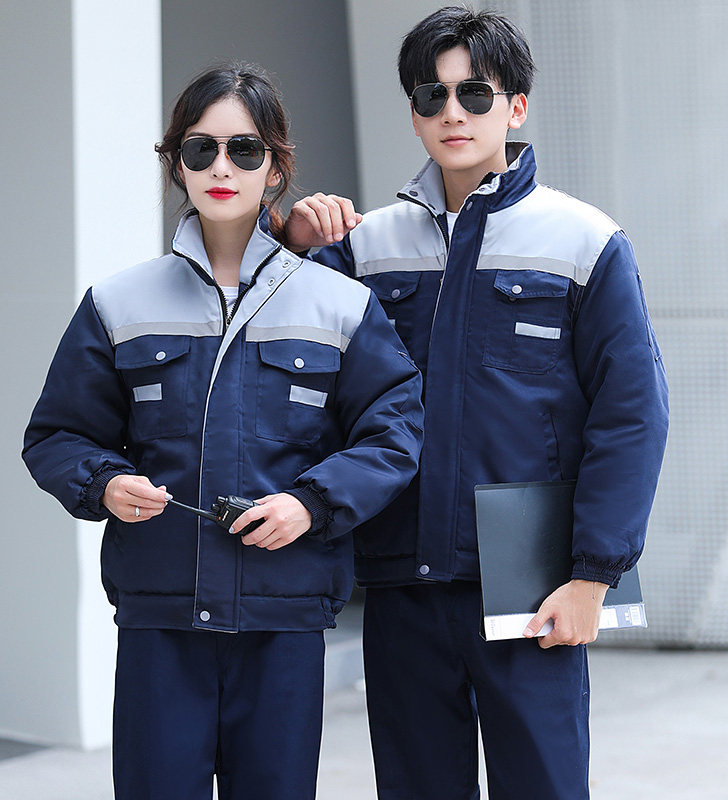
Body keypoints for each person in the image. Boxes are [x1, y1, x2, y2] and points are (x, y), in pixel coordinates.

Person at [284, 7, 669, 799]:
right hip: (403, 574)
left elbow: (632, 414)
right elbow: (287, 368)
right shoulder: (364, 245)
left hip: (531, 582)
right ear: (414, 113)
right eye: (432, 96)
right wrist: (292, 245)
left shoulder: (584, 240)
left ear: (516, 107)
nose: (452, 112)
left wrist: (593, 577)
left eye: (475, 93)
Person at [22, 62, 423, 800]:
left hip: (284, 618)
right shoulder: (118, 303)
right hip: (160, 620)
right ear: (178, 162)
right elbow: (57, 435)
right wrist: (104, 483)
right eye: (201, 148)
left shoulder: (340, 304)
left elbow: (394, 435)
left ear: (276, 167)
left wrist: (311, 503)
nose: (221, 167)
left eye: (244, 149)